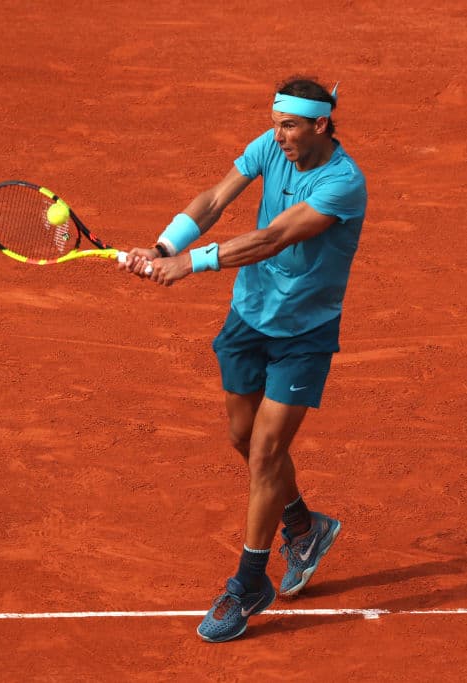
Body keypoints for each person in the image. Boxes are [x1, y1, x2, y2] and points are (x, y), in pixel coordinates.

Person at [120, 76, 368, 643]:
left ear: (320, 125)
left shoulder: (343, 183)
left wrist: (191, 264)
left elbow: (273, 238)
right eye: (276, 122)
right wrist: (162, 246)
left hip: (304, 333)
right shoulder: (268, 145)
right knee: (241, 436)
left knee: (265, 450)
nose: (277, 134)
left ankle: (248, 583)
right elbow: (212, 199)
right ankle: (304, 525)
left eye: (289, 125)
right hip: (248, 316)